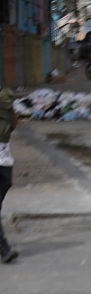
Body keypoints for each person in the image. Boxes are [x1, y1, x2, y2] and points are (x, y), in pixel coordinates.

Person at [0, 81, 18, 263]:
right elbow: (14, 124)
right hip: (4, 158)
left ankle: (4, 249)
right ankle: (4, 248)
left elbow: (14, 124)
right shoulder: (7, 99)